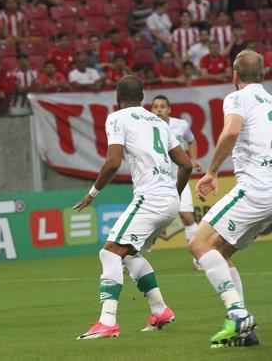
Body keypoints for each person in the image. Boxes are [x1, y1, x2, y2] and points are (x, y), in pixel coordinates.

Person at [74, 75, 193, 340]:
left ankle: (107, 322)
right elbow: (186, 164)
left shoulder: (117, 118)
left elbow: (113, 162)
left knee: (110, 253)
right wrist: (173, 195)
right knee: (128, 254)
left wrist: (93, 193)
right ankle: (160, 310)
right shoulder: (160, 122)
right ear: (143, 97)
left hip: (149, 198)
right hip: (169, 199)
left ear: (118, 98)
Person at [190, 50, 267, 347]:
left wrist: (211, 172)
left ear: (234, 75)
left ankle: (236, 315)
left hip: (257, 190)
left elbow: (232, 130)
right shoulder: (270, 101)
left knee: (198, 243)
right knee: (219, 253)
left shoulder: (237, 98)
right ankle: (244, 331)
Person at [150, 95, 203, 252]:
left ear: (169, 109)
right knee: (151, 220)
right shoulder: (147, 127)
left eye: (162, 106)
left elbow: (192, 141)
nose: (159, 109)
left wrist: (193, 159)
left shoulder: (181, 125)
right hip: (158, 180)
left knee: (187, 217)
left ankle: (199, 255)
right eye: (155, 107)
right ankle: (131, 255)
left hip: (180, 177)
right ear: (151, 110)